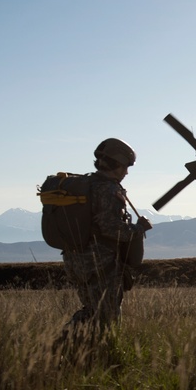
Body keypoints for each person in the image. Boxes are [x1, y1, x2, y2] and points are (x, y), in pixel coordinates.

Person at [60, 138, 151, 346]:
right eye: (125, 166)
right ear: (115, 164)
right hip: (101, 264)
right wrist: (139, 229)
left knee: (92, 310)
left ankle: (64, 347)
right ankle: (102, 352)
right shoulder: (108, 190)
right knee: (108, 317)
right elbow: (111, 229)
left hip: (77, 262)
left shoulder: (87, 185)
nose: (126, 172)